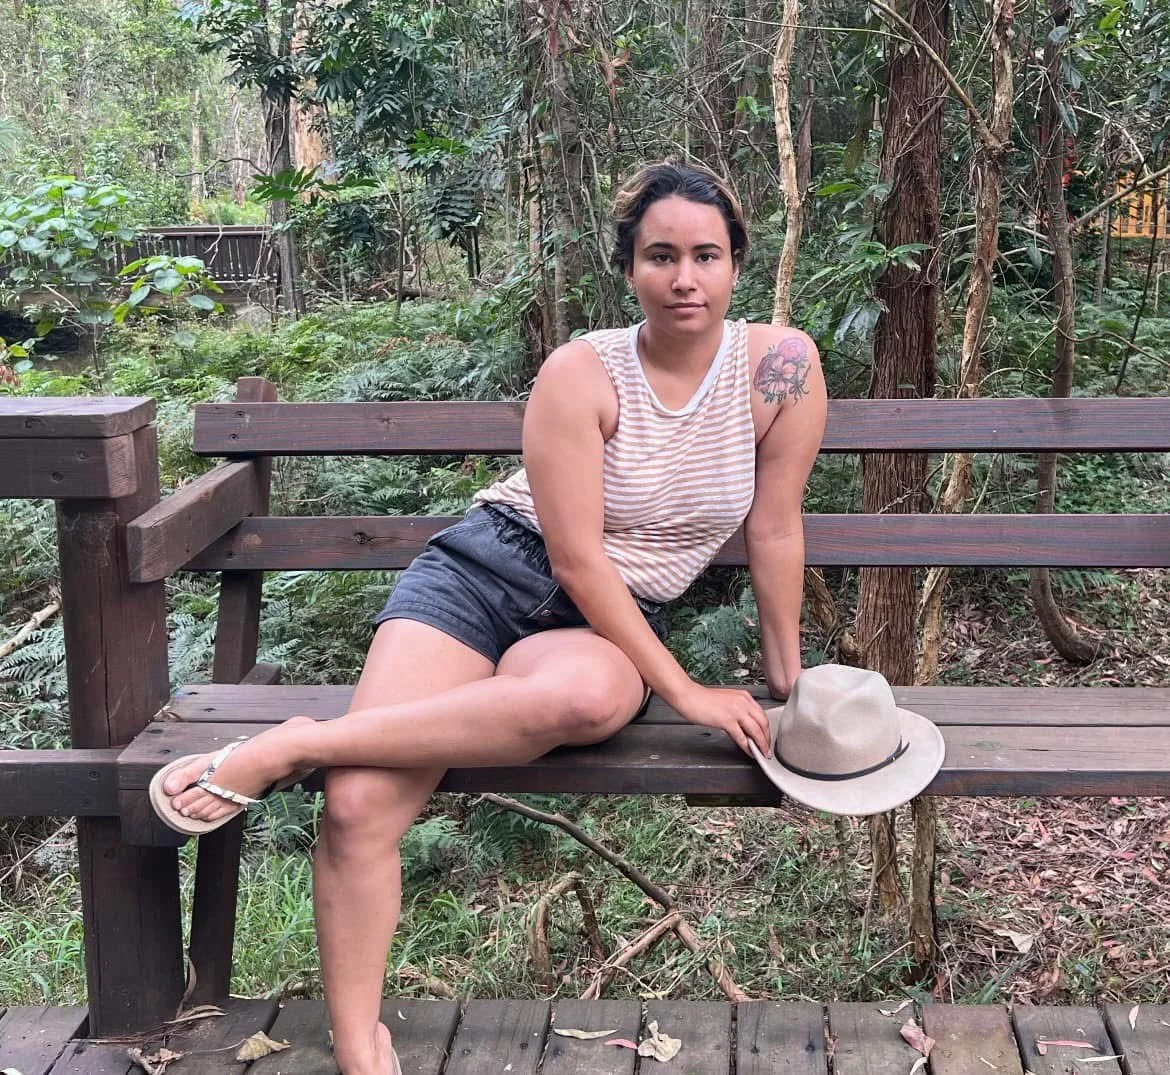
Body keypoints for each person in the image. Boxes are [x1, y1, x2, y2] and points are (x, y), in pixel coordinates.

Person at [151, 160, 828, 1075]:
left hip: (604, 622)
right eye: (660, 255)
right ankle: (358, 1048)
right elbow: (575, 557)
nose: (684, 278)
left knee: (588, 699)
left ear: (737, 263)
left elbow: (776, 526)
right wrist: (689, 693)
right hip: (487, 573)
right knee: (356, 803)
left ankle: (306, 739)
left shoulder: (782, 370)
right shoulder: (583, 371)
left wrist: (789, 681)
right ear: (629, 267)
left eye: (705, 255)